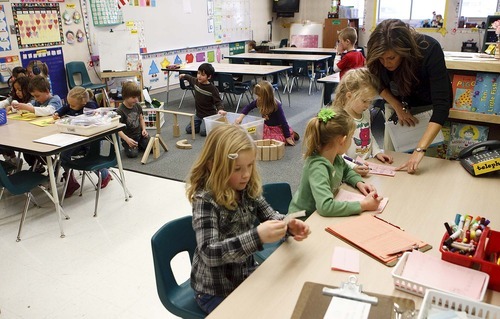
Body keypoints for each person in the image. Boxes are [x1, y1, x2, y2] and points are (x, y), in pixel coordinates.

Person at [186, 124, 310, 314]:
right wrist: (257, 237)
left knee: (283, 301)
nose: (246, 175)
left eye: (250, 166)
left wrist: (288, 225)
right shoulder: (205, 200)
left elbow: (270, 215)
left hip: (243, 276)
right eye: (237, 169)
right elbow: (209, 253)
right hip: (214, 291)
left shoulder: (247, 188)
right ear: (213, 165)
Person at [366, 19, 452, 174]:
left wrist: (420, 150)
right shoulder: (377, 52)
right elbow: (376, 82)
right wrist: (397, 106)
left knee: (422, 167)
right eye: (381, 59)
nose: (386, 63)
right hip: (396, 106)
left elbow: (442, 105)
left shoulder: (429, 49)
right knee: (392, 161)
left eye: (391, 58)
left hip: (427, 112)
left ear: (405, 50)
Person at [288, 108, 381, 218]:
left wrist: (359, 183)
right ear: (342, 140)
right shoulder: (318, 167)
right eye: (351, 137)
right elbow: (325, 207)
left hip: (317, 215)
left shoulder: (335, 157)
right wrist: (363, 205)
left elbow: (346, 171)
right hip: (302, 220)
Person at [332, 68, 393, 176]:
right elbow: (336, 154)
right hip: (348, 171)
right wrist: (352, 166)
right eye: (364, 101)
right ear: (349, 96)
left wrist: (377, 152)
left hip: (366, 165)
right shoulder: (340, 118)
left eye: (370, 101)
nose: (367, 105)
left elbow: (369, 134)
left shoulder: (366, 113)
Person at [54, 86, 110, 197]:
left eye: (73, 105)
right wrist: (57, 113)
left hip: (89, 141)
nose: (70, 107)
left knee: (91, 158)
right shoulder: (71, 105)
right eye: (69, 104)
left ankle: (105, 175)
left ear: (84, 103)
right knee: (64, 154)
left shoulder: (90, 105)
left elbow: (92, 114)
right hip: (74, 139)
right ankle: (71, 181)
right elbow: (64, 108)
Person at [11, 75, 62, 172]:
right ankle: (37, 165)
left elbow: (48, 111)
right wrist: (17, 107)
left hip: (53, 134)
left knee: (36, 149)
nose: (36, 98)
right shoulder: (37, 101)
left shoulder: (55, 99)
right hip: (40, 133)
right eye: (34, 96)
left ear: (47, 91)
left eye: (37, 96)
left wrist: (27, 108)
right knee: (26, 146)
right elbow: (29, 106)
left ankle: (53, 165)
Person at [235, 80, 299, 145]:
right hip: (266, 126)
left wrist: (288, 137)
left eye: (260, 96)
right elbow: (248, 107)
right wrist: (241, 117)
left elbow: (283, 122)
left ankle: (290, 134)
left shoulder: (276, 106)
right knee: (256, 135)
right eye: (257, 96)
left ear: (267, 97)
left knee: (273, 140)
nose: (258, 98)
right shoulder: (259, 101)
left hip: (276, 128)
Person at [178, 63, 225, 136]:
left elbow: (218, 101)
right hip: (199, 115)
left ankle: (214, 123)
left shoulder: (213, 89)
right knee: (189, 129)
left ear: (209, 77)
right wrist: (184, 75)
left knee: (203, 132)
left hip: (209, 115)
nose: (199, 76)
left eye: (202, 75)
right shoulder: (196, 81)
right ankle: (201, 124)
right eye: (198, 73)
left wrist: (220, 109)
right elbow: (190, 78)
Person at [0, 76, 31, 168]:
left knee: (28, 153)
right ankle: (10, 161)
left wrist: (12, 108)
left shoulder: (32, 98)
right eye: (15, 90)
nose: (17, 92)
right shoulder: (14, 97)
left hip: (27, 130)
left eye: (19, 90)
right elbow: (3, 103)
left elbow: (28, 107)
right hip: (17, 127)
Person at [116, 81, 150, 158]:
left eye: (137, 97)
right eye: (133, 97)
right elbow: (118, 129)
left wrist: (144, 129)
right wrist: (127, 139)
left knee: (151, 147)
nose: (136, 100)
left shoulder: (137, 106)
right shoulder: (120, 111)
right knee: (133, 154)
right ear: (126, 96)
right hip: (129, 138)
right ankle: (130, 146)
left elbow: (141, 119)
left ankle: (140, 145)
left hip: (140, 135)